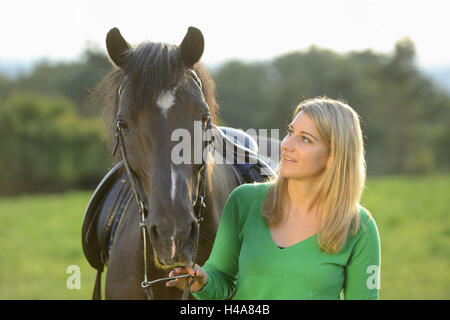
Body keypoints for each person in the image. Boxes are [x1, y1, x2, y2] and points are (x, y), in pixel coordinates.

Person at [166, 97, 381, 299]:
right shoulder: (244, 201)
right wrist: (202, 282)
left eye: (305, 139)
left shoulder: (360, 227)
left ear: (334, 157)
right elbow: (221, 278)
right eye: (290, 132)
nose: (287, 145)